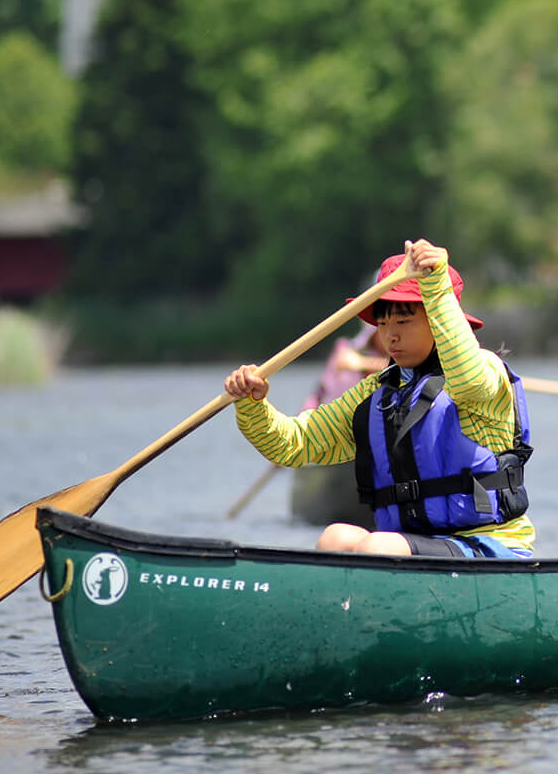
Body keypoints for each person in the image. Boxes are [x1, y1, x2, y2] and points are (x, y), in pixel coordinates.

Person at [224, 238, 534, 557]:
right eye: (382, 323)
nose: (390, 335)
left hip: (487, 545)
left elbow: (465, 376)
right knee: (334, 537)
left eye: (402, 321)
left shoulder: (484, 370)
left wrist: (435, 285)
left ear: (439, 321)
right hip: (411, 543)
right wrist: (252, 404)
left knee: (378, 545)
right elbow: (295, 444)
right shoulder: (376, 391)